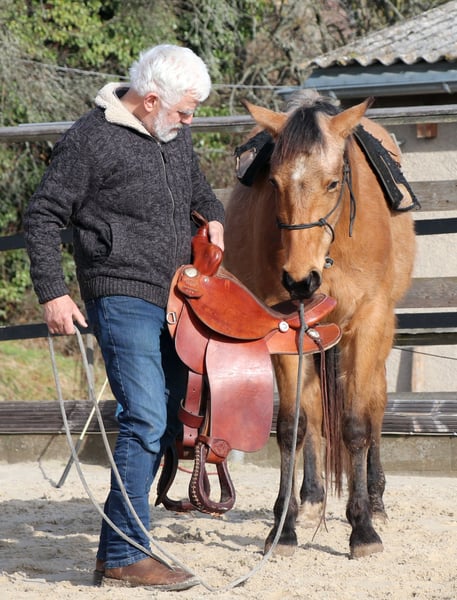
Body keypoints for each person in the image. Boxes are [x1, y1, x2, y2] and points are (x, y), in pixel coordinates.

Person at [24, 44, 225, 591]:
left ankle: (121, 549)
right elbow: (42, 216)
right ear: (151, 99)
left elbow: (202, 194)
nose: (190, 121)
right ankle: (123, 555)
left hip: (178, 300)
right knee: (144, 418)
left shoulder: (174, 135)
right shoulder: (89, 139)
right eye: (185, 111)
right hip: (119, 294)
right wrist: (53, 293)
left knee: (168, 417)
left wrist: (214, 219)